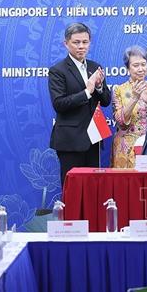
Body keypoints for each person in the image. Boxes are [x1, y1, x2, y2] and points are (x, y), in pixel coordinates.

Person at [48, 22, 111, 188]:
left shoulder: (95, 67)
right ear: (66, 43)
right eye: (76, 42)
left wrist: (98, 87)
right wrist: (87, 91)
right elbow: (59, 104)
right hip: (70, 140)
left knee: (93, 189)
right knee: (72, 189)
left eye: (85, 42)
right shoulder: (58, 70)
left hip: (93, 138)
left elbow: (105, 101)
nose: (81, 46)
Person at [111, 45, 147, 169]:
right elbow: (121, 122)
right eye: (135, 65)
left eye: (143, 64)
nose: (140, 69)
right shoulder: (119, 90)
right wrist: (134, 98)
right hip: (125, 147)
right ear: (128, 68)